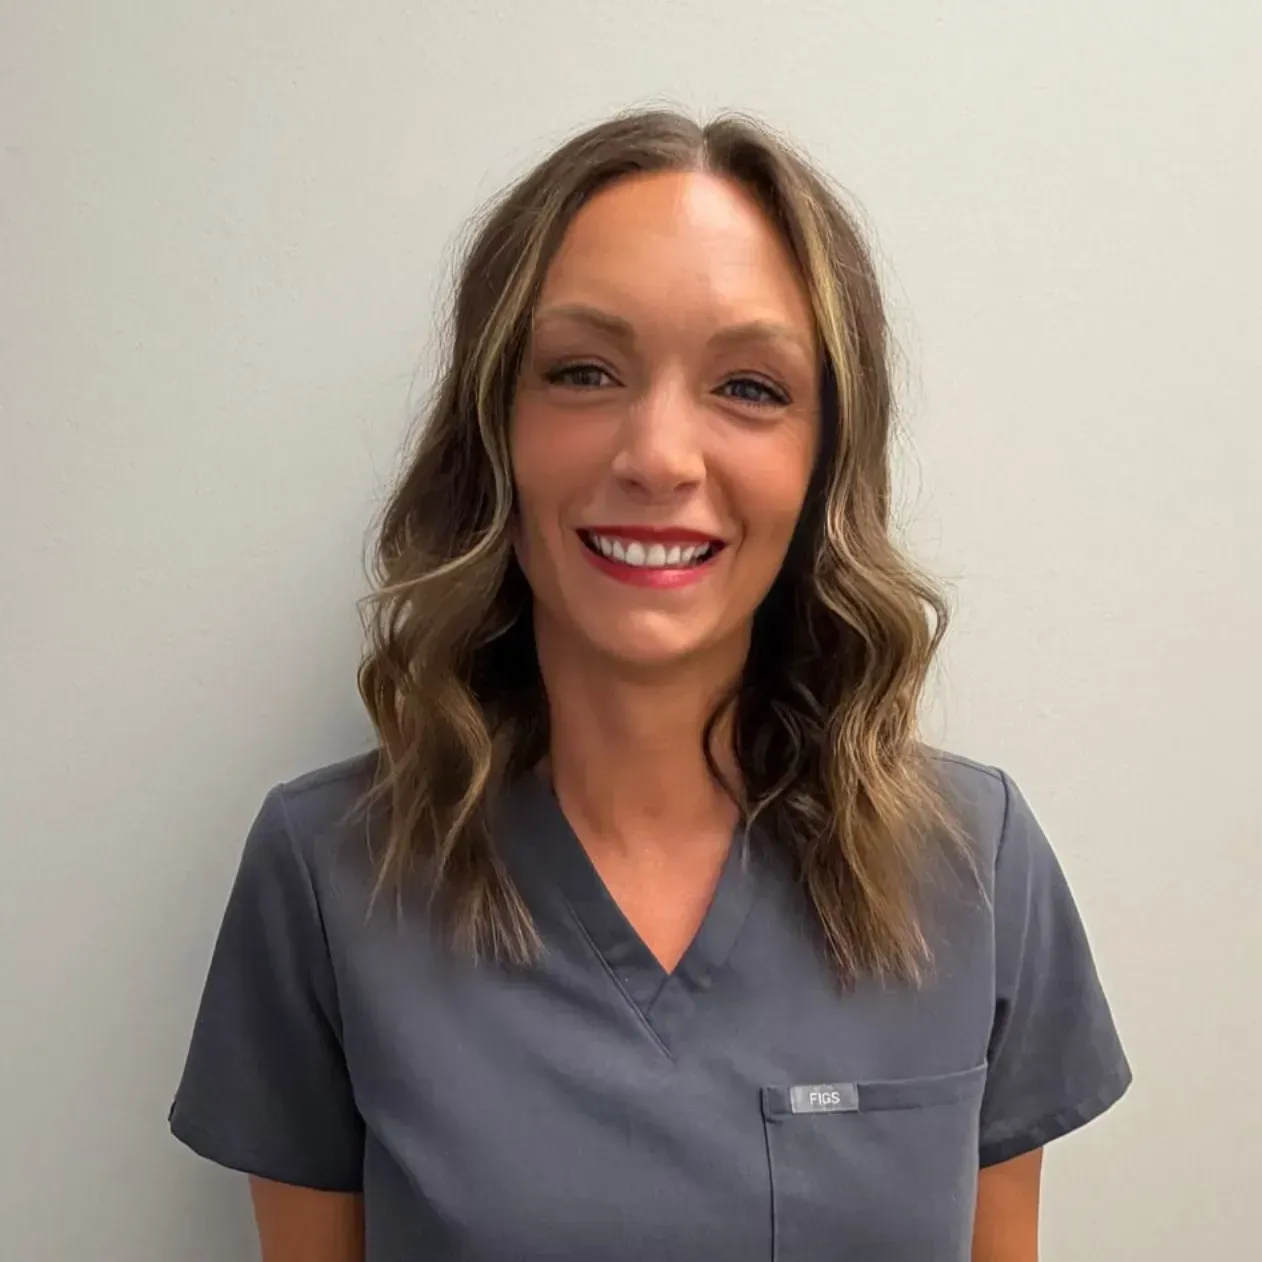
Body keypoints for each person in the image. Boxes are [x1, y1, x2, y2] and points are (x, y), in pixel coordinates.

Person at [170, 108, 1131, 1262]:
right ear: (495, 432)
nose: (658, 455)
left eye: (749, 387)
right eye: (582, 371)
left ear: (823, 457)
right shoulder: (327, 874)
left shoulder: (976, 867)